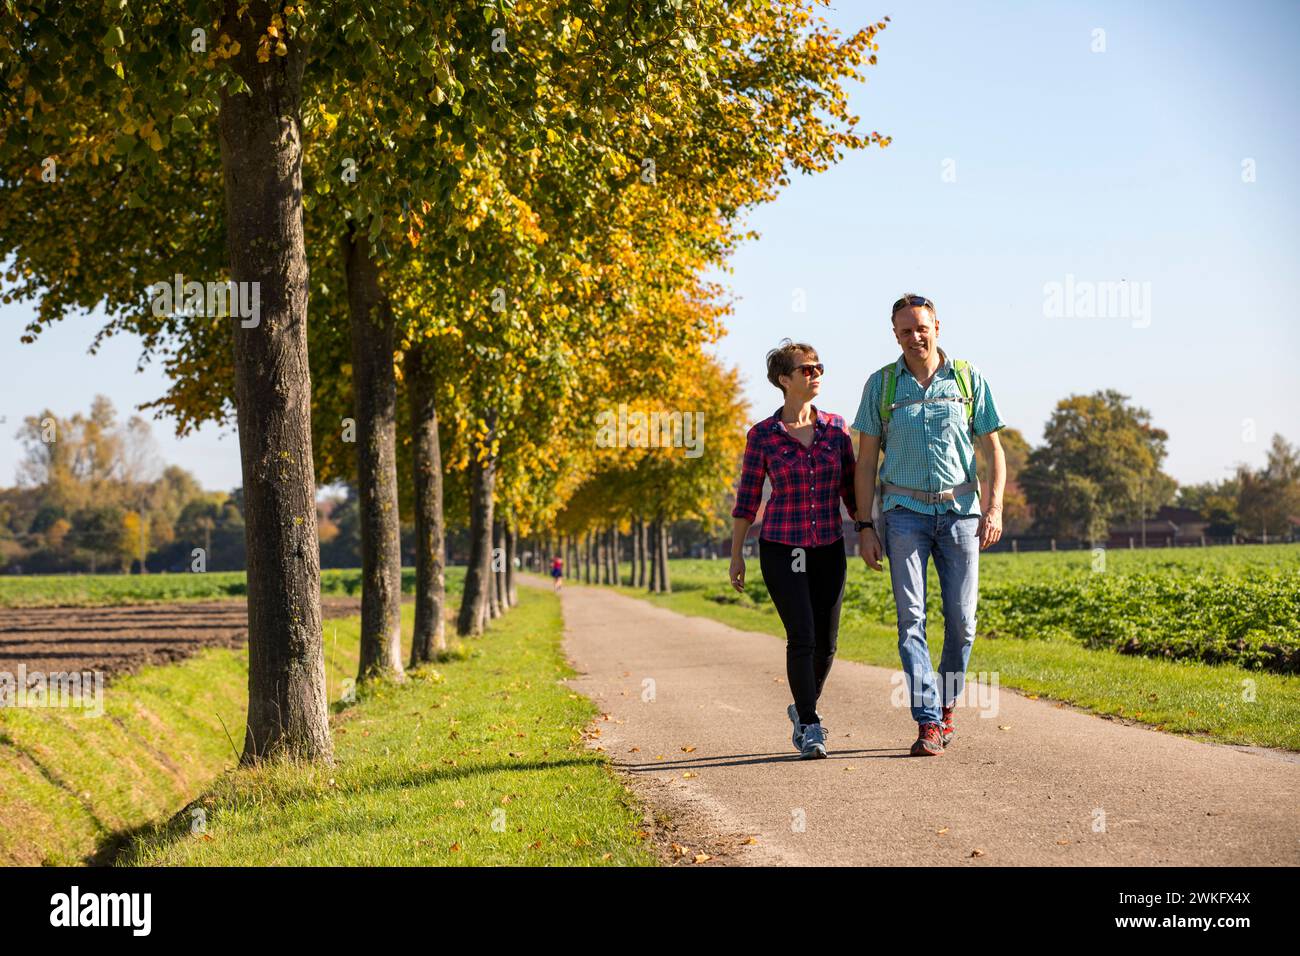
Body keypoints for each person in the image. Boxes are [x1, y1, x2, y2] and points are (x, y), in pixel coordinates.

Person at [852, 294, 1006, 756]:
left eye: (921, 327)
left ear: (937, 325)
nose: (914, 337)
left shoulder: (967, 379)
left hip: (960, 515)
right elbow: (864, 463)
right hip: (904, 516)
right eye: (904, 330)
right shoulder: (881, 386)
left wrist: (994, 510)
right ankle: (928, 721)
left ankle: (948, 706)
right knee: (911, 620)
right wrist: (864, 524)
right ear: (894, 334)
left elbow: (993, 451)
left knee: (962, 622)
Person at [730, 339, 857, 759]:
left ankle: (803, 708)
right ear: (784, 380)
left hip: (829, 547)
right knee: (801, 635)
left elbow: (851, 492)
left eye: (819, 367)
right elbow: (747, 501)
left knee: (828, 642)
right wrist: (736, 556)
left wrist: (871, 531)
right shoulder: (762, 436)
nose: (815, 373)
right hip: (782, 548)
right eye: (806, 369)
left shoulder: (837, 429)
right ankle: (810, 723)